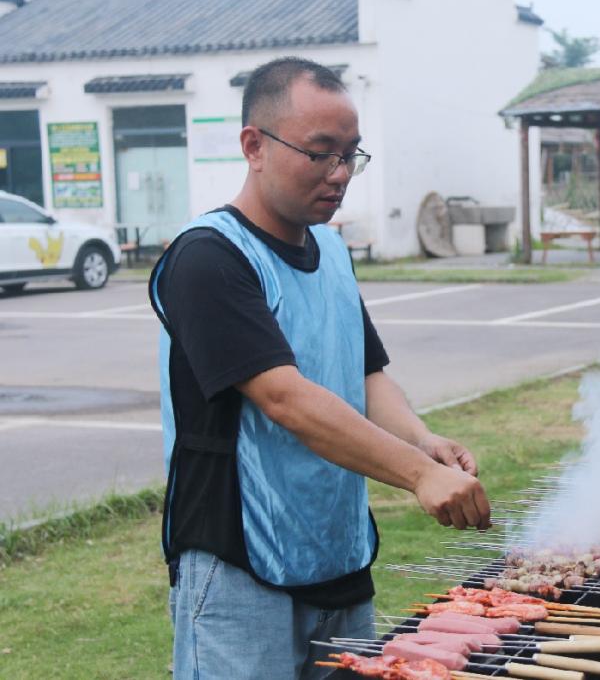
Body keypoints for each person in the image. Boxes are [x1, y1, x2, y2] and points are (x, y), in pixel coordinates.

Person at [149, 57, 491, 679]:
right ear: (254, 145)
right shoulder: (208, 258)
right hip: (238, 562)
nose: (340, 175)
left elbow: (364, 373)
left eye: (351, 156)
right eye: (320, 153)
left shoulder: (329, 248)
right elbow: (284, 398)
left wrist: (422, 440)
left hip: (336, 552)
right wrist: (417, 475)